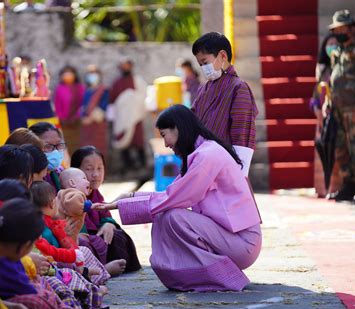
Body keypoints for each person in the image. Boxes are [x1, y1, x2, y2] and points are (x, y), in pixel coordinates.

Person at [94, 105, 262, 292]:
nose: (165, 144)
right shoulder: (202, 153)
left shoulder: (208, 155)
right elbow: (172, 193)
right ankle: (190, 273)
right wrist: (129, 197)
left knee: (172, 216)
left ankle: (218, 275)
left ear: (178, 129)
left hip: (242, 242)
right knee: (165, 213)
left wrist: (123, 203)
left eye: (164, 135)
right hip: (231, 238)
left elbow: (175, 197)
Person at [191, 32, 258, 176]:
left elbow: (242, 135)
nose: (203, 68)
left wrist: (238, 176)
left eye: (205, 62)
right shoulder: (204, 88)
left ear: (222, 56)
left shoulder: (238, 88)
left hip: (226, 169)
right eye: (200, 64)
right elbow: (193, 120)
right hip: (202, 164)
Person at [71, 146, 141, 276]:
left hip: (96, 235)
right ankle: (101, 270)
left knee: (117, 234)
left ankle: (116, 266)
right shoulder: (71, 196)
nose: (95, 174)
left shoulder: (95, 193)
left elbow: (105, 213)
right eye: (88, 169)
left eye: (99, 168)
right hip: (81, 237)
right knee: (85, 246)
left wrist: (108, 223)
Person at [327, 10, 355, 204]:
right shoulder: (338, 50)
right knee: (342, 149)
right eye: (335, 29)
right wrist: (328, 104)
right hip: (338, 109)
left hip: (354, 109)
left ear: (350, 28)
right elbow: (334, 79)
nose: (337, 32)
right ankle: (348, 185)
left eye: (340, 28)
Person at [310, 34, 341, 198]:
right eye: (330, 43)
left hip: (338, 115)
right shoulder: (322, 69)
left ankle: (336, 187)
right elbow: (315, 93)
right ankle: (324, 187)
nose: (333, 46)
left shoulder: (341, 66)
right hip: (322, 117)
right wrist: (316, 108)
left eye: (336, 43)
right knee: (322, 147)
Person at [109, 59, 147, 171]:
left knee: (138, 141)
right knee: (123, 142)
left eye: (127, 65)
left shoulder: (137, 81)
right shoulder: (116, 83)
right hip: (122, 118)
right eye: (123, 65)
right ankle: (128, 166)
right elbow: (113, 100)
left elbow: (143, 95)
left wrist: (131, 97)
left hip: (135, 116)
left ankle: (142, 165)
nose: (125, 67)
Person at [54, 66, 85, 155]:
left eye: (70, 73)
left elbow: (82, 104)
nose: (68, 75)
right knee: (65, 145)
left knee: (77, 145)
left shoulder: (80, 88)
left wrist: (77, 116)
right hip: (63, 123)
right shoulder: (59, 88)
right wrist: (61, 118)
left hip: (76, 123)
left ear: (75, 75)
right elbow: (57, 105)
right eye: (65, 73)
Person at [80, 65, 109, 159]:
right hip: (86, 125)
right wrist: (83, 117)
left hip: (98, 123)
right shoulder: (86, 91)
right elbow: (83, 106)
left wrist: (91, 118)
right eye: (90, 74)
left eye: (95, 74)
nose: (92, 77)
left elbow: (103, 107)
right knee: (87, 149)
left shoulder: (104, 90)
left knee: (98, 149)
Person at [30, 122, 68, 192]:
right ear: (33, 147)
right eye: (48, 146)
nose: (55, 151)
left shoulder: (61, 173)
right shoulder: (29, 178)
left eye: (59, 144)